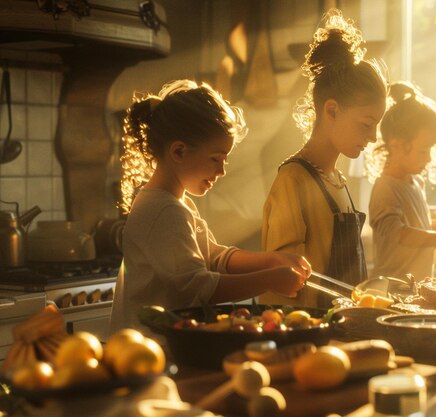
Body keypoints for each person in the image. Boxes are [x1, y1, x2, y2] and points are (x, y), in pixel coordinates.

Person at [110, 79, 311, 333]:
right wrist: (269, 280)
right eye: (215, 159)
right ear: (179, 152)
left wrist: (270, 260)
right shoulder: (164, 210)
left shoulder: (175, 202)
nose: (222, 170)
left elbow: (213, 258)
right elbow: (198, 286)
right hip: (151, 348)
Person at [261, 9, 388, 307]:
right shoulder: (292, 180)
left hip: (344, 333)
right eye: (366, 124)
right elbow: (283, 290)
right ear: (332, 111)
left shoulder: (338, 182)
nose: (372, 137)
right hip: (309, 338)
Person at [367, 81, 436, 281]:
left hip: (415, 287)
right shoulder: (385, 188)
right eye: (423, 150)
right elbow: (398, 233)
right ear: (396, 145)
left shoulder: (415, 183)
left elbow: (416, 226)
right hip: (392, 290)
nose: (428, 158)